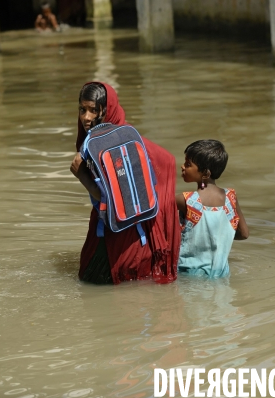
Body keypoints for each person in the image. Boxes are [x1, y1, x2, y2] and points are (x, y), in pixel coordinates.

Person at [70, 82, 180, 285]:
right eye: (82, 110)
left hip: (120, 231)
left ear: (107, 109)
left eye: (94, 110)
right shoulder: (125, 133)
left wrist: (82, 176)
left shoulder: (115, 141)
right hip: (126, 230)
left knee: (94, 286)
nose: (86, 117)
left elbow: (111, 197)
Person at [176, 140, 249, 278]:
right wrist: (218, 238)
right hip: (220, 275)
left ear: (205, 174)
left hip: (187, 276)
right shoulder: (230, 198)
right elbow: (244, 234)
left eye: (188, 164)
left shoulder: (184, 200)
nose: (182, 166)